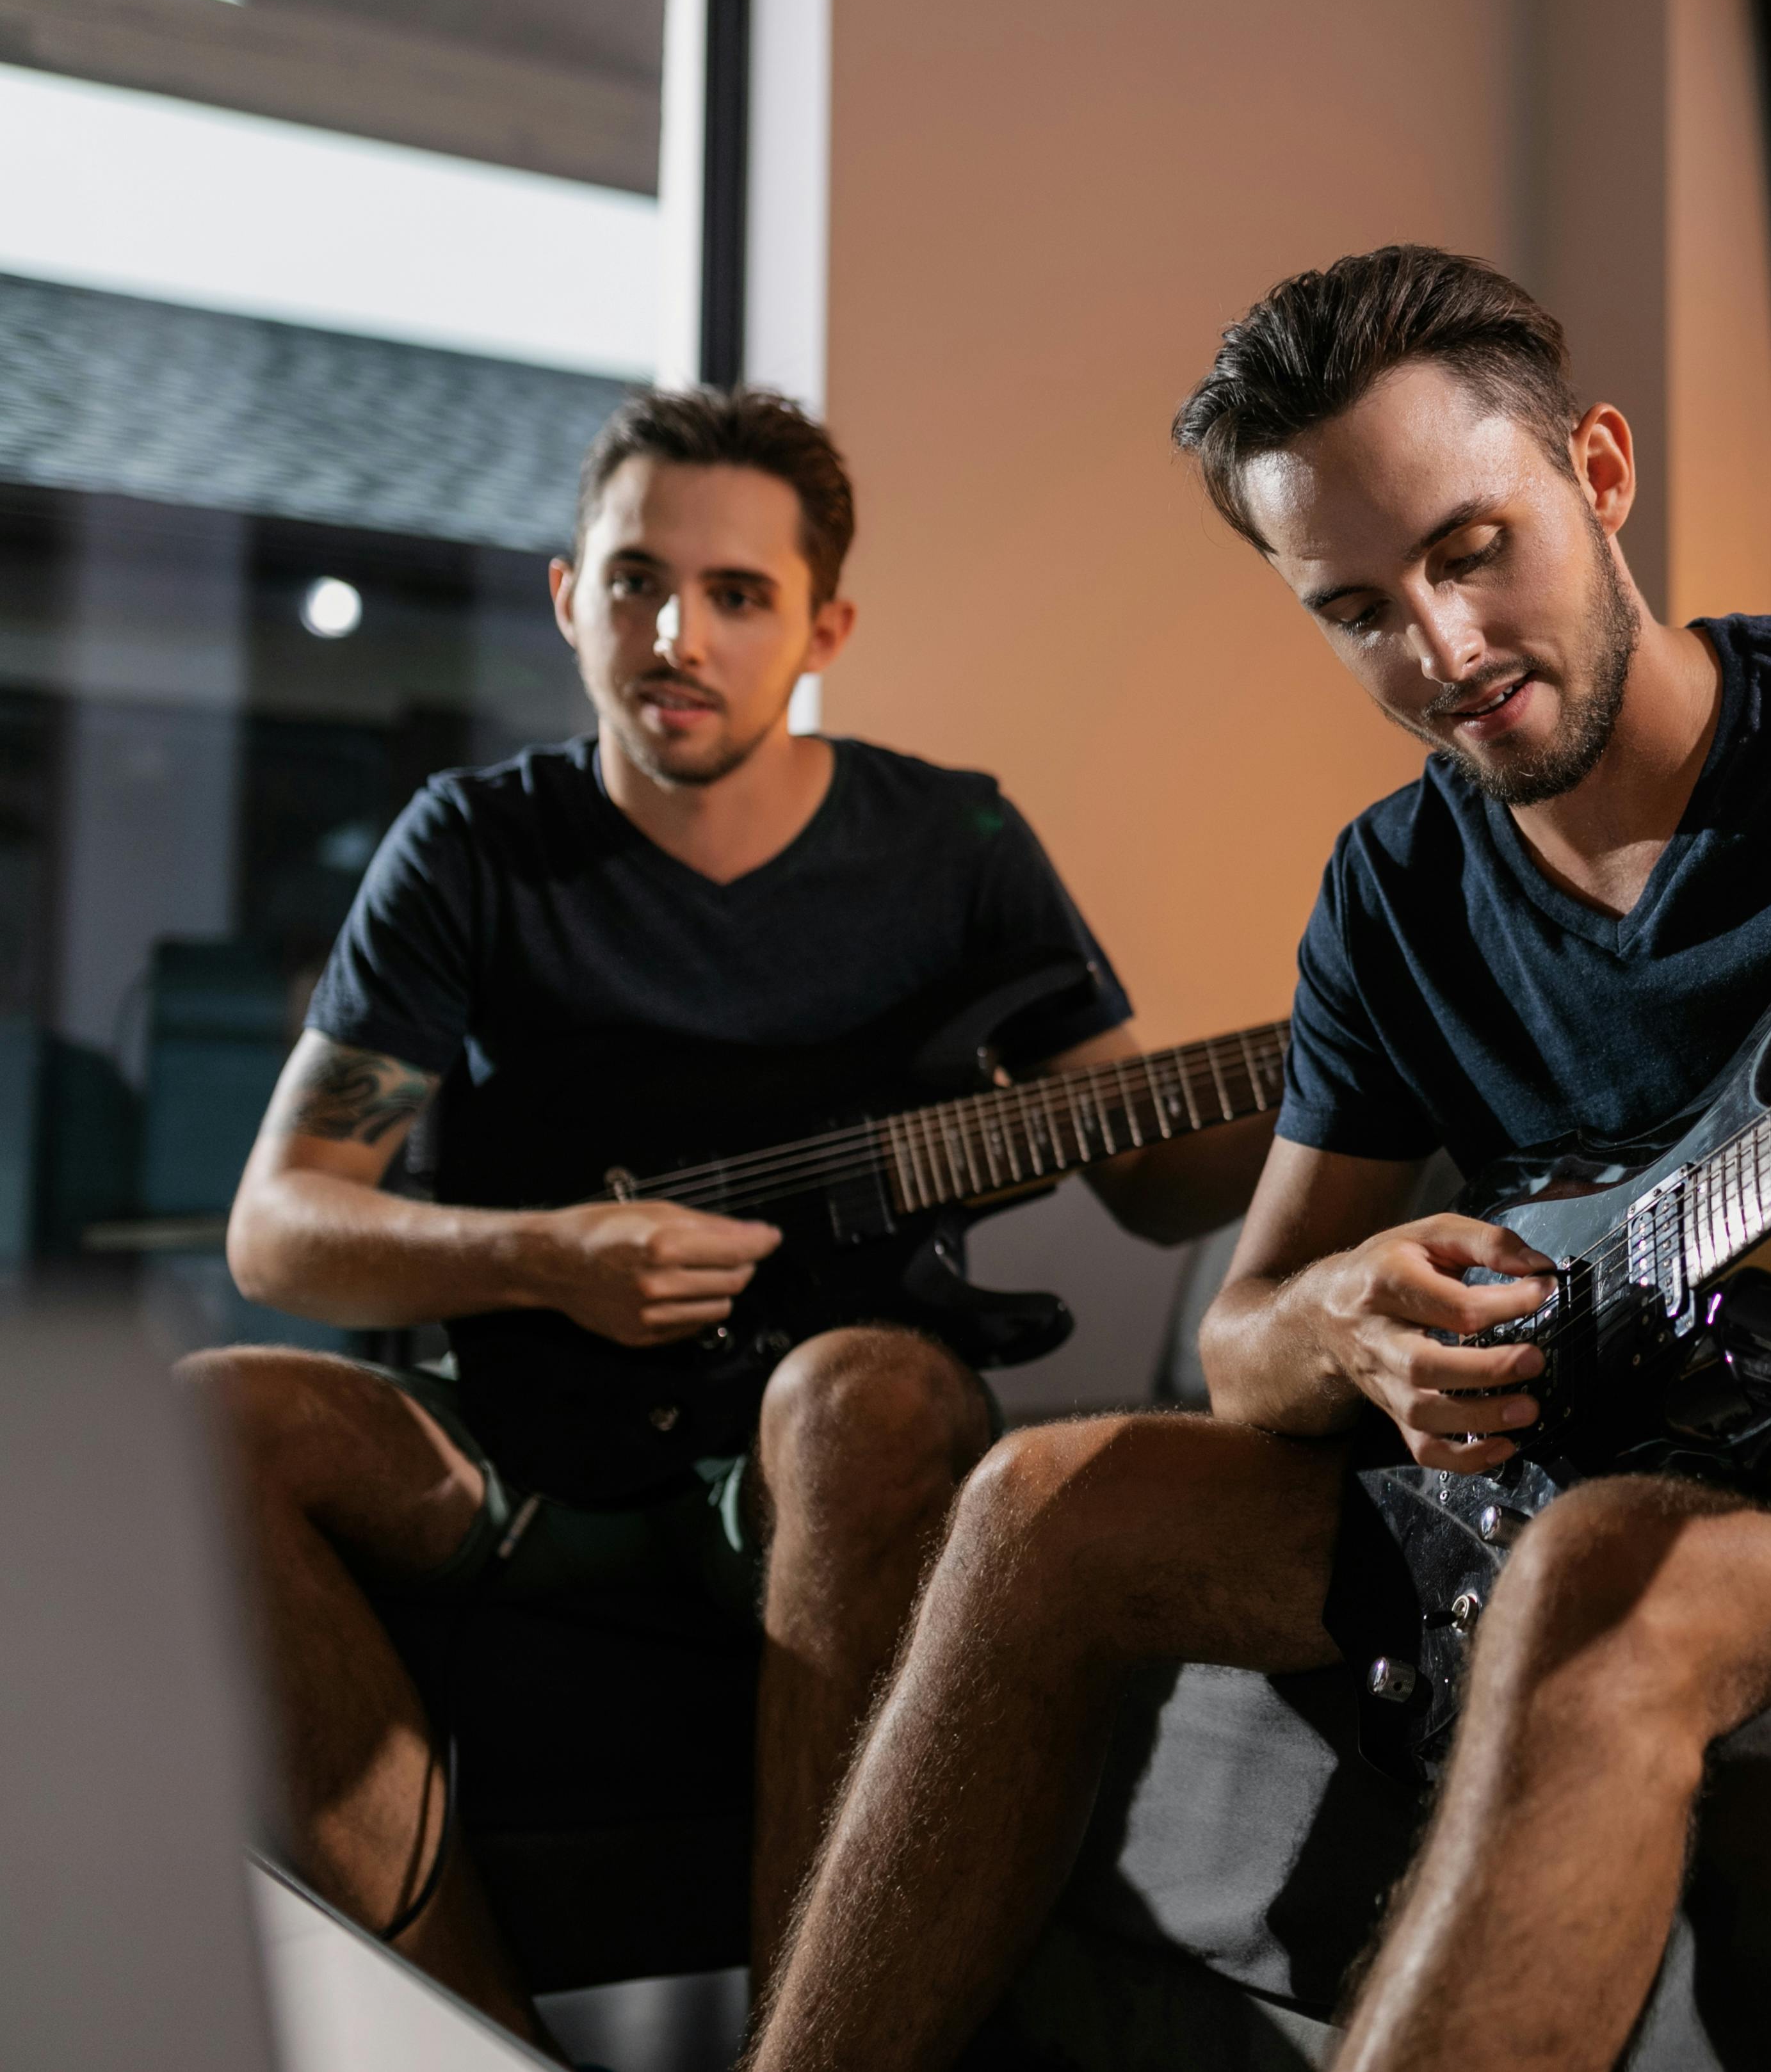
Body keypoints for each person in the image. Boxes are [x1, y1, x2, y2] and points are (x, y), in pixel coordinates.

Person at [748, 251, 1771, 2072]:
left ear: (1599, 471)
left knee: (1607, 1579)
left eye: (1470, 550)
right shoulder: (1393, 889)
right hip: (1610, 1455)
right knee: (1044, 1500)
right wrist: (1351, 1321)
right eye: (1357, 609)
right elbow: (1246, 1337)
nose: (1441, 652)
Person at [186, 387, 1269, 2053]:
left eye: (738, 593)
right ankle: (481, 2041)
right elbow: (281, 1223)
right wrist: (544, 1252)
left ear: (823, 623)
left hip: (812, 1452)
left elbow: (1147, 1170)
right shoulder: (474, 846)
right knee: (211, 1424)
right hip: (525, 1446)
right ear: (569, 597)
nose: (675, 632)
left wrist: (1332, 1072)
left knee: (865, 1390)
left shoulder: (954, 838)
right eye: (634, 581)